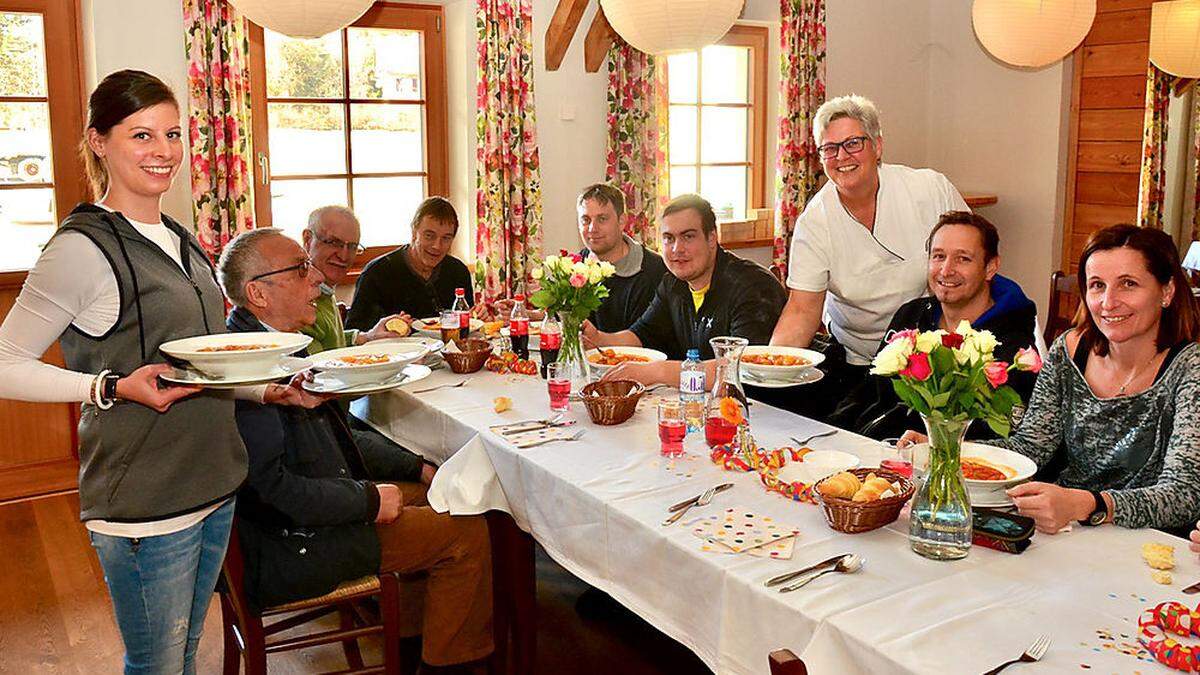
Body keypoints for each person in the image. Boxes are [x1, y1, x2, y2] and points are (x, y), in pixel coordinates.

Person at [0, 70, 309, 674]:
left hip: (212, 483)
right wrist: (108, 387)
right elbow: (4, 364)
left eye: (172, 134)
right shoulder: (81, 248)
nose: (163, 152)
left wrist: (268, 389)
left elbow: (194, 367)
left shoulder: (178, 238)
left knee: (184, 655)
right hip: (147, 502)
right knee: (158, 666)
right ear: (98, 142)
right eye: (141, 135)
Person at [218, 229, 494, 674]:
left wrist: (416, 467)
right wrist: (368, 501)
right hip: (287, 547)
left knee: (446, 492)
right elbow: (269, 493)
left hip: (314, 513)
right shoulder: (248, 370)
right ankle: (449, 665)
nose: (315, 280)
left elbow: (341, 433)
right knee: (465, 532)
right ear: (257, 293)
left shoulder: (274, 345)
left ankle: (410, 643)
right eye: (298, 269)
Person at [900, 224, 1200, 534]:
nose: (1108, 302)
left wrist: (1089, 504)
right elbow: (1030, 447)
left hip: (1149, 545)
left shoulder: (1191, 370)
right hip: (1065, 528)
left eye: (1128, 284)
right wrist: (950, 447)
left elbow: (1183, 494)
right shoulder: (1069, 350)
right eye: (1097, 285)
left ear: (1166, 291)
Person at [770, 95, 969, 412]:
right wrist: (768, 369)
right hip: (856, 359)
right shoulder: (816, 221)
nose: (841, 156)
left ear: (877, 146)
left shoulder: (929, 189)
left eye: (853, 143)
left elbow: (974, 263)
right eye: (830, 148)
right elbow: (801, 311)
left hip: (933, 354)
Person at [829, 211, 1039, 439]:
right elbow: (869, 391)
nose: (946, 270)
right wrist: (831, 435)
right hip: (875, 451)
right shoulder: (911, 315)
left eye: (963, 259)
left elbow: (1002, 436)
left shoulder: (1012, 344)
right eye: (938, 256)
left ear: (990, 267)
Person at [586, 194, 787, 386]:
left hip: (776, 411)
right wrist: (598, 338)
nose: (676, 249)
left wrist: (657, 371)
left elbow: (742, 368)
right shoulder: (673, 283)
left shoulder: (753, 286)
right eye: (669, 238)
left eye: (688, 237)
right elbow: (642, 335)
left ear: (711, 238)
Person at [346, 196, 473, 330]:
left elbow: (467, 322)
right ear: (414, 232)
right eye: (429, 236)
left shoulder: (458, 271)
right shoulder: (377, 273)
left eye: (446, 238)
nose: (437, 246)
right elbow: (354, 332)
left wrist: (478, 315)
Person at [299, 205, 412, 353]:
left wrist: (369, 336)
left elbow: (329, 342)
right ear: (308, 240)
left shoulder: (325, 290)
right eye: (333, 242)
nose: (344, 256)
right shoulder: (299, 299)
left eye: (352, 246)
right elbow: (317, 365)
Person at [577, 183, 668, 332]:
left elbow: (646, 338)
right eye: (585, 220)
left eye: (602, 219)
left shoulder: (653, 270)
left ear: (621, 222)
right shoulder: (578, 263)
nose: (592, 229)